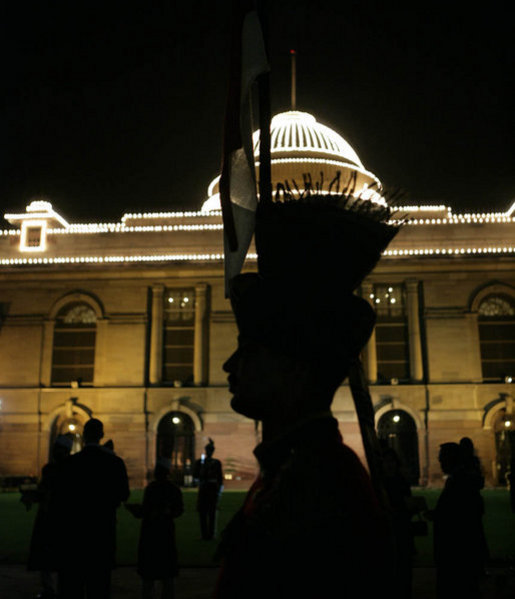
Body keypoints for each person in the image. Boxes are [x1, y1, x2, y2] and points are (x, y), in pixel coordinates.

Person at [215, 192, 399, 598]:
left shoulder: (321, 487)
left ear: (294, 370)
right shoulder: (296, 471)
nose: (230, 366)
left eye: (250, 351)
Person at [54, 418, 130, 599]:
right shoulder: (114, 463)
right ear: (102, 436)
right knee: (99, 586)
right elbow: (123, 494)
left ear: (84, 436)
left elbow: (59, 497)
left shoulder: (69, 464)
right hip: (102, 531)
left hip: (74, 533)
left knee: (72, 587)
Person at [432, 442, 485, 599]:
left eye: (442, 459)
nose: (439, 462)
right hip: (462, 549)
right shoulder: (461, 479)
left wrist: (437, 515)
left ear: (451, 459)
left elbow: (456, 515)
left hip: (456, 551)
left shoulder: (458, 481)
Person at [25, 434, 72, 599]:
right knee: (54, 556)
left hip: (53, 517)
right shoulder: (62, 469)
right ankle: (54, 589)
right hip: (58, 518)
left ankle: (51, 590)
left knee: (51, 555)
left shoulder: (55, 469)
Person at [134, 457, 184, 599]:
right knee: (167, 575)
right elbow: (179, 510)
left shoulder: (152, 488)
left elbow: (146, 510)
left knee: (149, 575)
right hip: (165, 532)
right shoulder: (172, 489)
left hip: (151, 532)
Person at [381, 446, 416, 599]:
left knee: (404, 572)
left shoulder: (401, 481)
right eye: (386, 461)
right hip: (387, 532)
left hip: (402, 530)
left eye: (392, 461)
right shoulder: (381, 482)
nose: (389, 464)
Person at [193, 438, 223, 540]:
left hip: (209, 488)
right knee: (206, 512)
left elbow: (219, 477)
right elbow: (196, 475)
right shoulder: (202, 463)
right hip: (208, 488)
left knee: (209, 512)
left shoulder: (214, 463)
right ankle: (207, 534)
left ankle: (208, 534)